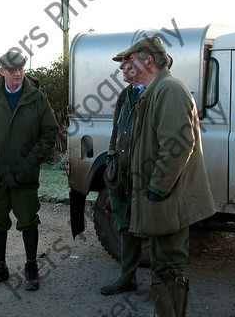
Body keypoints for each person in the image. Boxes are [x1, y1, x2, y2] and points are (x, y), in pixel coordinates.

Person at [115, 36, 216, 317]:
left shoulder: (169, 89)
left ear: (149, 61)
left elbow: (177, 146)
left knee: (170, 267)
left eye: (130, 60)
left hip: (168, 200)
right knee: (162, 265)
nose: (124, 66)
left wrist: (157, 189)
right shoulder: (153, 90)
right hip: (161, 199)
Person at [0, 50, 59, 291]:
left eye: (21, 69)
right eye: (12, 70)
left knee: (28, 221)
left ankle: (31, 268)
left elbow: (50, 131)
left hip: (24, 174)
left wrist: (30, 161)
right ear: (2, 71)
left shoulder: (37, 99)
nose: (18, 73)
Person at [100, 57, 145, 296]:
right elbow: (116, 131)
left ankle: (165, 286)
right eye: (123, 65)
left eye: (128, 65)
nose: (122, 69)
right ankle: (128, 278)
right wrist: (111, 160)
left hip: (144, 174)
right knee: (124, 225)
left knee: (152, 226)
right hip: (121, 172)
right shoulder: (125, 95)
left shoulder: (155, 94)